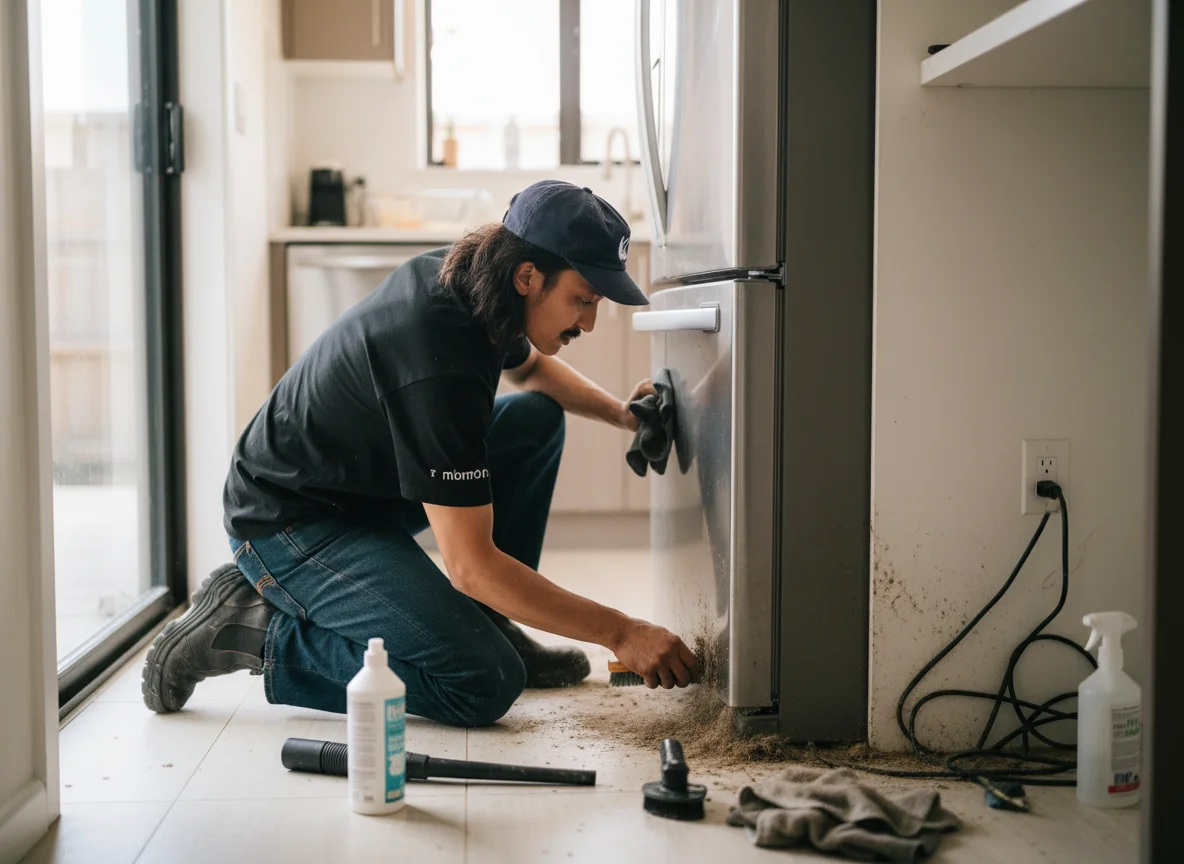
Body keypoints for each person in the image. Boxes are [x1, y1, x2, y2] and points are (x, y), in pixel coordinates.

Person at [142, 180, 699, 726]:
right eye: (582, 299)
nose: (589, 321)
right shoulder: (441, 360)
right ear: (529, 276)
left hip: (358, 486)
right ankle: (253, 628)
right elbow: (470, 566)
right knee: (482, 681)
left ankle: (488, 621)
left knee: (533, 420)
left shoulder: (482, 280)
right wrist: (622, 631)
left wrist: (621, 414)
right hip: (288, 521)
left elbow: (528, 369)